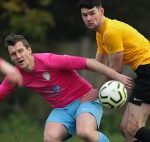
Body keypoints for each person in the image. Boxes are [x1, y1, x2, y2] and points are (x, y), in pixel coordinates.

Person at [0, 34, 132, 142]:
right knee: (50, 138)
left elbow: (88, 63)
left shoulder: (49, 60)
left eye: (20, 51)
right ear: (11, 58)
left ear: (29, 50)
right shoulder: (15, 75)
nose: (18, 56)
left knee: (85, 132)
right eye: (13, 54)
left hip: (85, 99)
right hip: (62, 109)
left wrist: (116, 75)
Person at [78, 0, 150, 142]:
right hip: (144, 72)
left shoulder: (111, 32)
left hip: (148, 70)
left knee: (134, 128)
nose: (89, 18)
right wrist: (71, 68)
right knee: (125, 129)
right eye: (84, 15)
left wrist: (98, 91)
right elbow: (97, 65)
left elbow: (116, 70)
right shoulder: (100, 33)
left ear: (101, 11)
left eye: (92, 13)